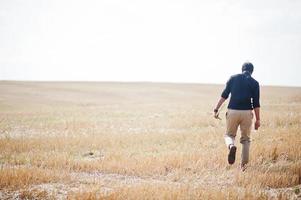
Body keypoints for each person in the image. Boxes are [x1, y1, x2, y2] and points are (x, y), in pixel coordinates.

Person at [213, 62, 260, 171]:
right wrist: (258, 120)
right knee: (246, 140)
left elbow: (224, 95)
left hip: (232, 111)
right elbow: (256, 103)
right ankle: (243, 167)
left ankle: (231, 146)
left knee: (229, 135)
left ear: (242, 69)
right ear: (252, 71)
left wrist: (216, 109)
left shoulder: (233, 78)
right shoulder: (255, 83)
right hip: (247, 113)